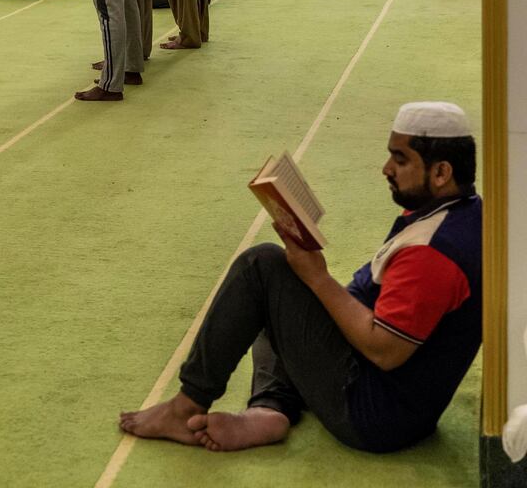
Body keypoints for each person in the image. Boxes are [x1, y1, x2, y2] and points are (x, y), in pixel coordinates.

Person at [119, 101, 481, 458]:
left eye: (400, 160)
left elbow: (384, 351)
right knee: (281, 289)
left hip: (373, 413)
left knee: (260, 269)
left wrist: (319, 279)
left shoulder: (433, 252)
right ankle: (272, 407)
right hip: (399, 403)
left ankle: (186, 408)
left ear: (441, 172)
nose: (386, 168)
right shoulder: (462, 212)